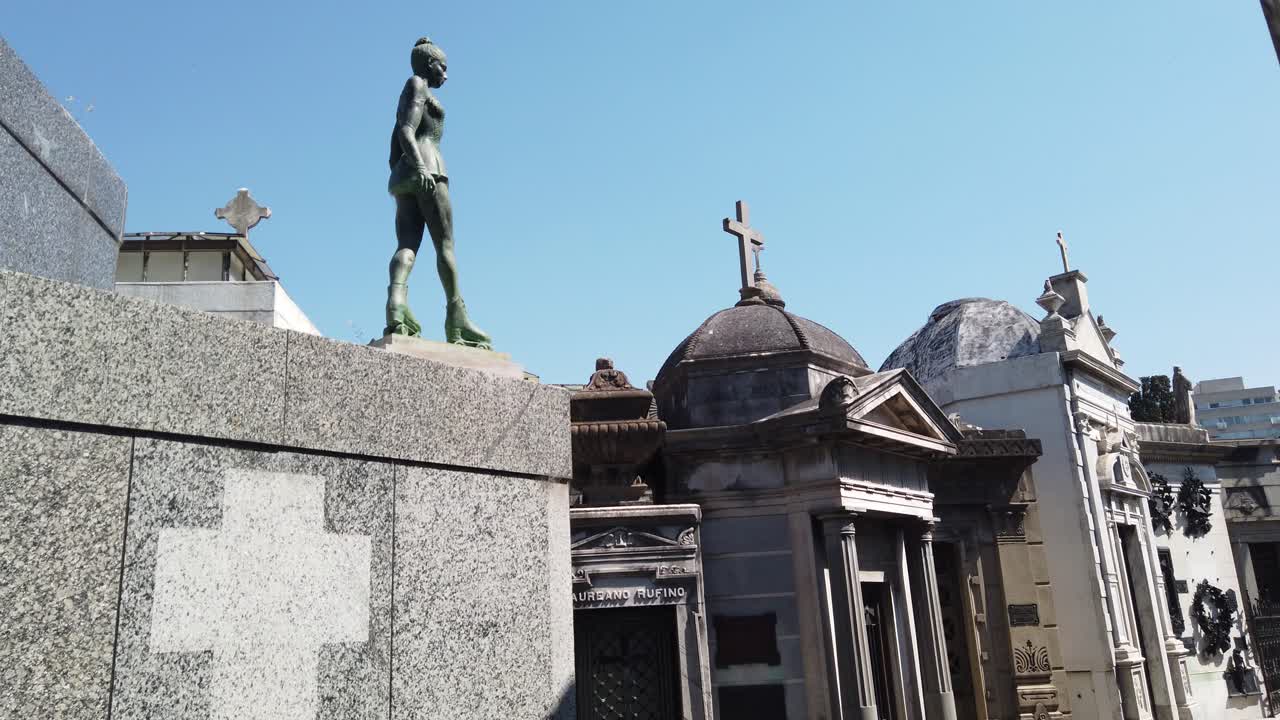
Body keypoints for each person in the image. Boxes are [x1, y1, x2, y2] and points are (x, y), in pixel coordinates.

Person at [385, 37, 491, 349]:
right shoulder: (417, 85)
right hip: (429, 168)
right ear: (428, 63)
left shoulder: (409, 91)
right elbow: (407, 130)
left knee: (407, 243)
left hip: (405, 174)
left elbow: (394, 143)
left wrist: (404, 172)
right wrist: (421, 167)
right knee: (445, 245)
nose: (445, 73)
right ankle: (457, 319)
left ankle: (396, 302)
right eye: (442, 66)